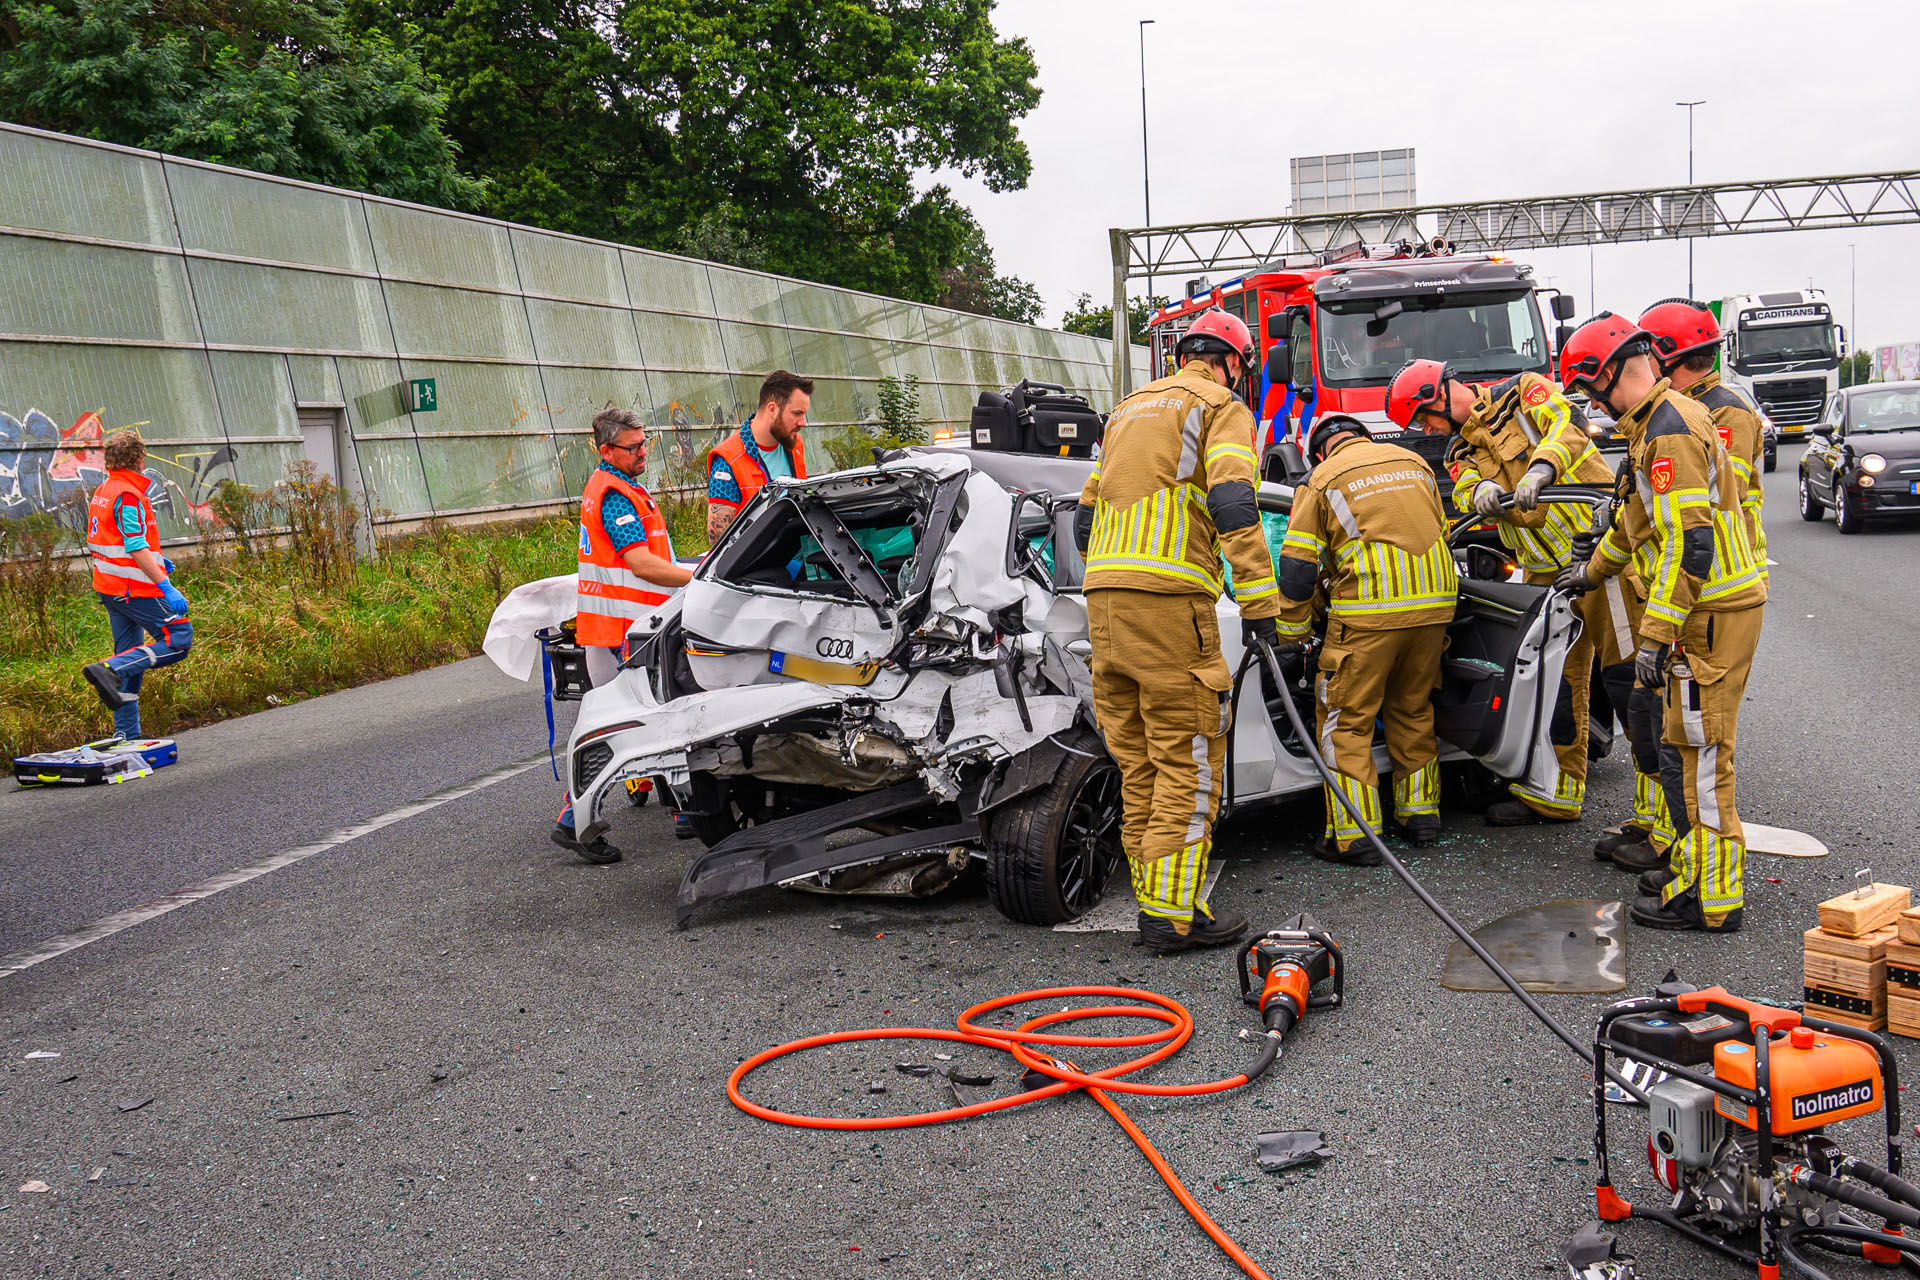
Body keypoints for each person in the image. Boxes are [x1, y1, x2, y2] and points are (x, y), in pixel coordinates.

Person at [1554, 314, 1768, 934]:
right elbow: (1635, 524)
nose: (1593, 404)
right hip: (1705, 609)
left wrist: (1653, 634)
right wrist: (1591, 574)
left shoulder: (1668, 431)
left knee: (1700, 755)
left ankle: (1712, 899)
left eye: (1592, 390)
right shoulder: (1660, 422)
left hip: (1709, 612)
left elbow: (1689, 544)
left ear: (1610, 372)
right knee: (1683, 746)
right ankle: (1696, 873)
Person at [1385, 359, 1654, 851]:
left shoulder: (1522, 393)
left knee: (1626, 680)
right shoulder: (1459, 448)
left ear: (1444, 392)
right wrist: (1480, 490)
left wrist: (1543, 467)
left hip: (1601, 554)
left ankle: (1655, 815)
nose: (1425, 428)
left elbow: (1567, 425)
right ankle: (1558, 795)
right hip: (1547, 572)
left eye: (1425, 416)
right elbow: (1465, 484)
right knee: (1557, 686)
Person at [1074, 309, 1280, 952]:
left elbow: (1085, 518)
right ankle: (1173, 916)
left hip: (1103, 602)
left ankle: (1159, 900)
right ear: (1231, 362)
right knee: (1188, 758)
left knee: (1137, 761)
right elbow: (1234, 504)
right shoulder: (1220, 407)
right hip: (1169, 604)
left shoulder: (1127, 410)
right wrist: (1261, 604)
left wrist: (1112, 576)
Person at [1274, 413, 1458, 865]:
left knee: (1346, 722)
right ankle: (1420, 816)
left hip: (1367, 615)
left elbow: (1298, 570)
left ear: (1320, 450)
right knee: (1413, 708)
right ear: (1365, 438)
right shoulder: (1414, 463)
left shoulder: (1321, 478)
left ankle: (1355, 837)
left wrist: (1293, 636)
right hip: (1435, 608)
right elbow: (1442, 530)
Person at [556, 408, 693, 863]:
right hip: (622, 633)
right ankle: (576, 825)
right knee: (635, 725)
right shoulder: (614, 494)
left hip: (625, 629)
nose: (643, 453)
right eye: (633, 447)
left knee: (645, 722)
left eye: (644, 443)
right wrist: (696, 581)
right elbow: (640, 564)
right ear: (606, 450)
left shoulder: (623, 485)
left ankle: (682, 807)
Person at [1639, 299, 1768, 577]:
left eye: (1645, 355)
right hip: (1692, 569)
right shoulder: (1669, 409)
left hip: (1722, 574)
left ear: (1668, 355)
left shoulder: (1727, 412)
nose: (1641, 365)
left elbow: (1721, 494)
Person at [80, 429, 193, 739]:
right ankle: (108, 670)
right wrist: (165, 584)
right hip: (135, 589)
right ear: (139, 459)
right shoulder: (128, 494)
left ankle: (126, 734)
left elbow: (113, 541)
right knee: (179, 639)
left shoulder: (106, 488)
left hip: (111, 589)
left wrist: (157, 560)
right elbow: (134, 544)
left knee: (131, 657)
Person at [707, 371, 811, 541]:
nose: (802, 423)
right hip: (759, 564)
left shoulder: (795, 444)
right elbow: (717, 539)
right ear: (772, 409)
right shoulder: (728, 459)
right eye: (796, 413)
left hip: (799, 550)